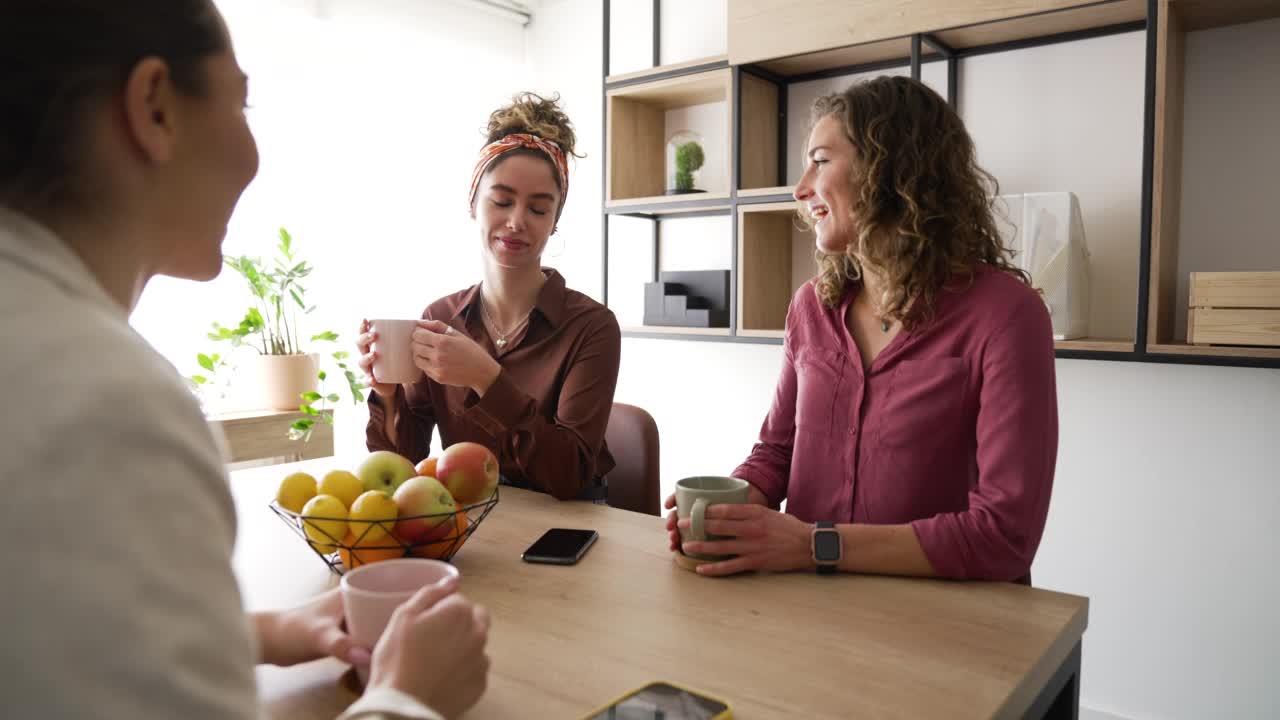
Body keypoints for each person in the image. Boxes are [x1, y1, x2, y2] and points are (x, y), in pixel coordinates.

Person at [0, 2, 488, 718]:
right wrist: (408, 699)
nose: (256, 156)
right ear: (155, 107)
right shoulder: (104, 405)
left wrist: (264, 631)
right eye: (244, 100)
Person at [665, 76, 1058, 583]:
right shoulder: (811, 307)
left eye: (821, 161)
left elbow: (1006, 537)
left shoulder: (1007, 315)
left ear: (892, 168)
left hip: (946, 625)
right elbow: (777, 452)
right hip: (808, 609)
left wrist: (812, 545)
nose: (801, 188)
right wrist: (728, 515)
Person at [358, 93, 621, 502]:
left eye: (538, 209)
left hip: (566, 529)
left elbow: (569, 474)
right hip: (473, 519)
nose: (516, 221)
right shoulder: (440, 317)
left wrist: (487, 379)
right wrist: (388, 393)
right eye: (501, 201)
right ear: (473, 204)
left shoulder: (591, 327)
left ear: (554, 223)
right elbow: (403, 464)